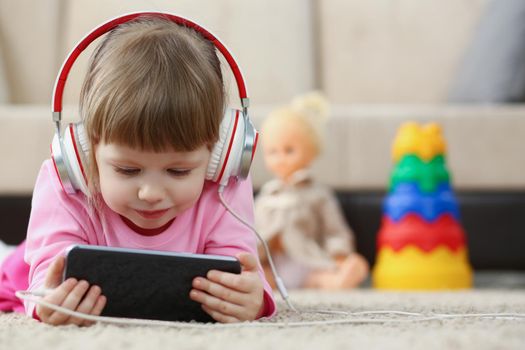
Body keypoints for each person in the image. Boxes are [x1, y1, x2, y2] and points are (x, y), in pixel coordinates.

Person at [0, 14, 275, 325]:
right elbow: (46, 277)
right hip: (20, 265)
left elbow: (243, 269)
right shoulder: (65, 184)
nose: (151, 194)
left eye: (178, 171)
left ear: (219, 154)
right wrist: (48, 300)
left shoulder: (225, 187)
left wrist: (251, 299)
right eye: (128, 170)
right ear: (86, 151)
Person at [255, 92, 369, 290]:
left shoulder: (318, 194)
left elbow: (335, 230)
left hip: (308, 262)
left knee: (328, 275)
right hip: (274, 265)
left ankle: (339, 279)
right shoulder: (267, 196)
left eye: (289, 150)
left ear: (311, 150)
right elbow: (252, 231)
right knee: (258, 277)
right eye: (273, 151)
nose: (281, 157)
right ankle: (264, 285)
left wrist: (339, 253)